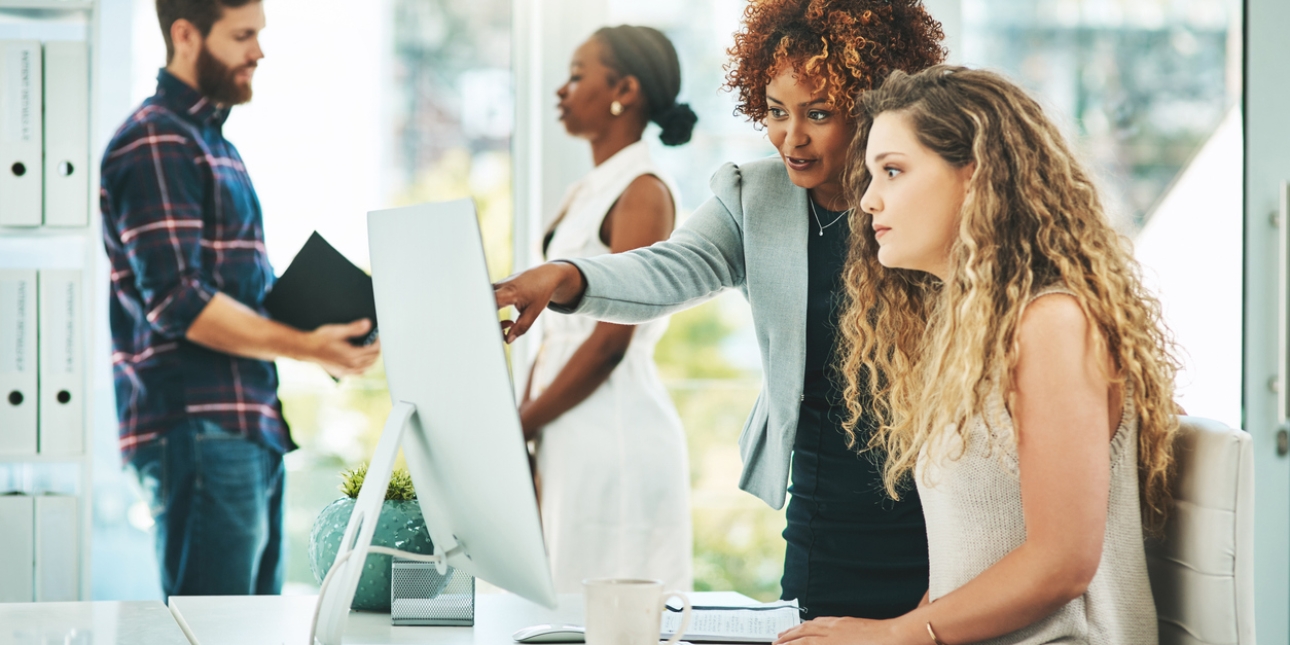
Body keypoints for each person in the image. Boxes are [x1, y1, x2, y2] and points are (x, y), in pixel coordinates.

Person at [495, 0, 945, 618]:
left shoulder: (925, 195)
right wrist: (566, 276)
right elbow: (669, 268)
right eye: (775, 112)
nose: (792, 137)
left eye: (818, 114)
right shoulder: (753, 195)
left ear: (875, 108)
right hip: (821, 500)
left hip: (936, 498)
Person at [775, 66, 1180, 644]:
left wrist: (893, 637)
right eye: (871, 175)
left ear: (977, 178)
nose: (867, 200)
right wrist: (895, 631)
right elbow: (969, 563)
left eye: (892, 171)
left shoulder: (1051, 323)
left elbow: (1061, 563)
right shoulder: (967, 331)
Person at [101, 0, 380, 598]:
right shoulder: (156, 140)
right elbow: (178, 300)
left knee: (248, 627)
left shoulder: (213, 144)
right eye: (242, 35)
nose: (259, 51)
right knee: (218, 631)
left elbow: (241, 292)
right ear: (185, 35)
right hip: (200, 425)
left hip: (245, 423)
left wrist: (326, 340)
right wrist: (305, 344)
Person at [522, 25, 699, 593]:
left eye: (577, 76)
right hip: (569, 424)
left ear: (624, 87)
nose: (561, 91)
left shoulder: (642, 188)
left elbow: (609, 341)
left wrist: (521, 423)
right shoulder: (593, 186)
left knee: (601, 615)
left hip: (612, 433)